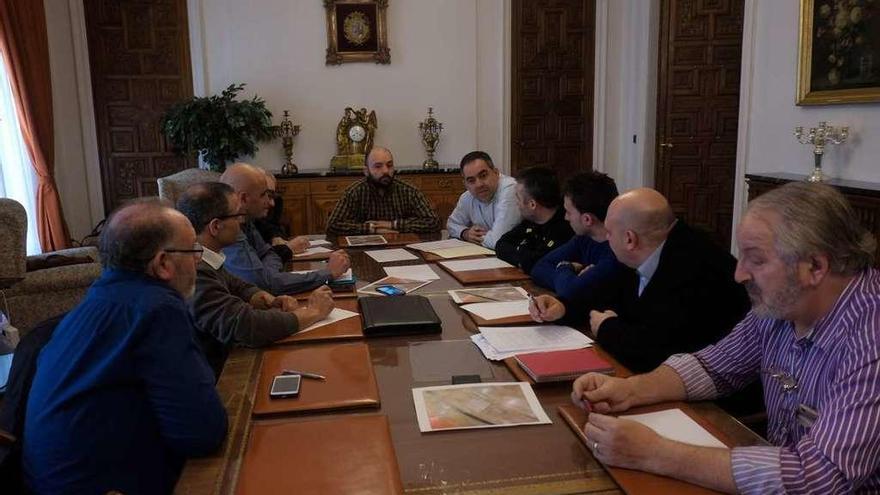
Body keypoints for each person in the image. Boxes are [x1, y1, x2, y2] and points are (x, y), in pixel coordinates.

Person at [571, 182, 880, 493]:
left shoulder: (870, 339)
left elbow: (820, 478)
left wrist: (656, 453)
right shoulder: (782, 307)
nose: (739, 274)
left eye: (756, 260)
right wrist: (629, 390)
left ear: (814, 266)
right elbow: (713, 367)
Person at [22, 200, 227, 494]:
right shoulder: (156, 308)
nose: (199, 259)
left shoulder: (98, 299)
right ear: (163, 264)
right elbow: (202, 433)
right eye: (194, 250)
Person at [531, 188, 750, 372]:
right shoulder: (647, 250)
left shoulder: (694, 267)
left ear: (629, 239)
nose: (606, 238)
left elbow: (654, 353)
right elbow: (605, 292)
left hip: (713, 403)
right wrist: (564, 307)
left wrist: (607, 327)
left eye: (609, 232)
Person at [177, 182, 335, 378]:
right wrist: (313, 312)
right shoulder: (193, 269)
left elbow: (234, 283)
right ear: (216, 226)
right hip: (215, 376)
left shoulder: (207, 257)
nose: (242, 221)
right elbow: (248, 326)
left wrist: (260, 296)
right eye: (237, 216)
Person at [220, 163, 350, 295]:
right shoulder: (227, 228)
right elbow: (264, 285)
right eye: (264, 195)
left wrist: (267, 275)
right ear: (243, 198)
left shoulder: (245, 219)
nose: (271, 203)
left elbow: (269, 254)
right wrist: (328, 273)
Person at [530, 171, 620, 302]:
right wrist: (574, 276)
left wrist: (565, 267)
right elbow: (539, 268)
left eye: (568, 212)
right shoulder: (583, 239)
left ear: (587, 219)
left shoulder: (617, 252)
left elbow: (571, 291)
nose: (566, 217)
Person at [325, 146, 441, 235]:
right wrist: (372, 228)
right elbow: (332, 226)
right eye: (378, 166)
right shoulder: (354, 192)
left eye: (389, 165)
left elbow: (433, 222)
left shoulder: (409, 191)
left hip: (401, 250)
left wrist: (393, 225)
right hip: (364, 250)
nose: (385, 171)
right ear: (366, 171)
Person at [495, 166, 574, 273]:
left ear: (532, 204)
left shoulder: (566, 227)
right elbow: (501, 245)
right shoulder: (531, 221)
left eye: (518, 198)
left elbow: (539, 263)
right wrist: (524, 258)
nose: (517, 203)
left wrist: (521, 253)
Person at [446, 151, 521, 249]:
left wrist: (477, 237)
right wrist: (465, 233)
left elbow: (498, 241)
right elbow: (452, 224)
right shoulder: (467, 196)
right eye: (471, 180)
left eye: (483, 175)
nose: (479, 185)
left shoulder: (511, 189)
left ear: (496, 172)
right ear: (465, 184)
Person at [254, 168, 311, 261]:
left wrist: (275, 237)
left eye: (272, 195)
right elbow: (257, 262)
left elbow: (275, 229)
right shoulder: (238, 222)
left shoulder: (275, 202)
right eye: (267, 194)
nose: (272, 203)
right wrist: (288, 248)